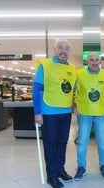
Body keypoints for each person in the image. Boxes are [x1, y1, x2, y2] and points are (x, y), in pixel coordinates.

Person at [32, 39, 77, 188]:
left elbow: (72, 90)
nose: (63, 51)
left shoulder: (72, 68)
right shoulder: (45, 65)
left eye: (67, 49)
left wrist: (74, 106)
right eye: (60, 48)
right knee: (51, 145)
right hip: (49, 112)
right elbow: (36, 90)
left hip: (66, 112)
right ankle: (51, 175)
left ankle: (60, 170)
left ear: (69, 52)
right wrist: (37, 113)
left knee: (62, 143)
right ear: (54, 49)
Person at [73, 52, 104, 180]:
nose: (94, 62)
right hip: (84, 114)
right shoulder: (79, 74)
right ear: (87, 62)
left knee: (102, 142)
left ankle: (103, 166)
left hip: (101, 114)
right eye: (91, 60)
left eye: (97, 60)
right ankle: (81, 167)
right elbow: (70, 90)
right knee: (82, 142)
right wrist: (72, 107)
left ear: (100, 61)